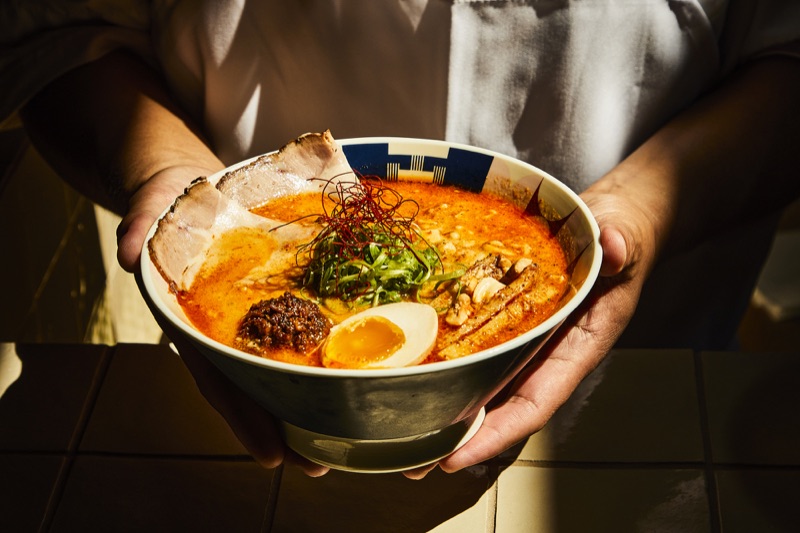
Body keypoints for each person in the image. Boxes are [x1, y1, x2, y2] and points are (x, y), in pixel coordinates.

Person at [2, 1, 799, 478]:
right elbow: (58, 27)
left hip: (644, 396)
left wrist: (636, 212)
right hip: (246, 407)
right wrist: (166, 173)